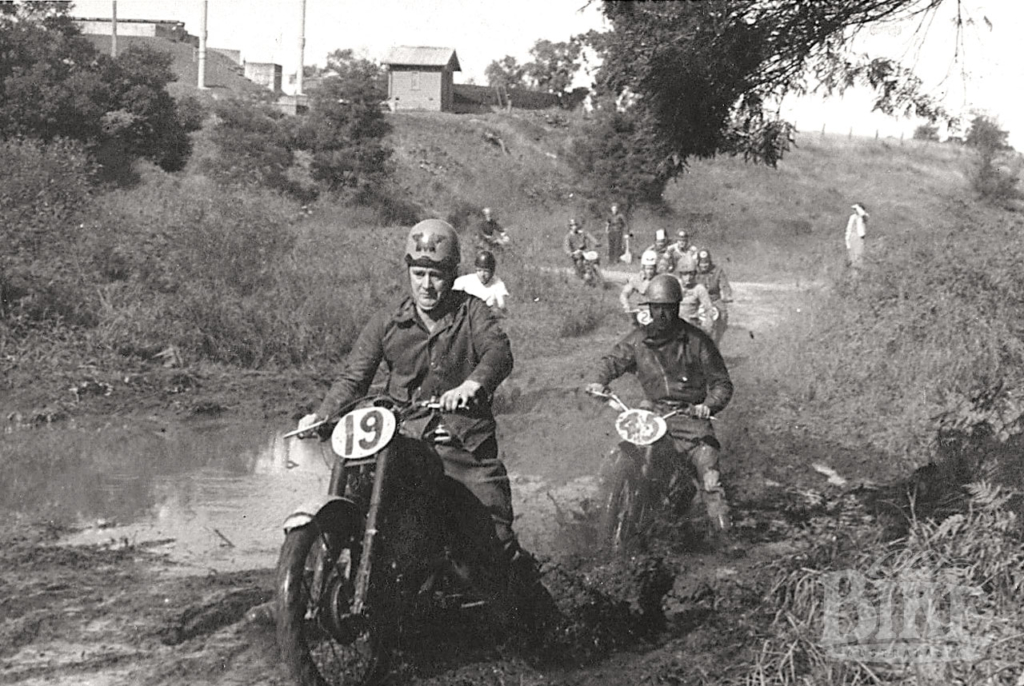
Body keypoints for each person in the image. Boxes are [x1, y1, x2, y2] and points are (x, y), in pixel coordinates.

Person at [585, 273, 734, 535]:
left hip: (690, 419)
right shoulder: (639, 339)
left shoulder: (698, 341)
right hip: (653, 412)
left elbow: (722, 384)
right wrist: (599, 381)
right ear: (649, 308)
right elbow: (612, 360)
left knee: (710, 479)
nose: (662, 315)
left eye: (667, 309)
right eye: (656, 308)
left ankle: (726, 541)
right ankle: (607, 507)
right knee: (619, 456)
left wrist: (707, 406)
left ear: (676, 307)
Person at [694, 249, 732, 346]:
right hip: (699, 301)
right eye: (702, 263)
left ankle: (717, 339)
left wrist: (727, 295)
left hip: (714, 299)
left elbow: (724, 284)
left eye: (706, 262)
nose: (704, 265)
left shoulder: (717, 271)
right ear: (698, 262)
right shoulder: (693, 272)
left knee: (723, 315)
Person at [454, 250, 509, 315]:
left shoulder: (498, 284)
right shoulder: (464, 281)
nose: (482, 275)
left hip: (485, 316)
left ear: (492, 271)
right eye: (479, 270)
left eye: (486, 271)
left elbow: (502, 306)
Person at [619, 249, 659, 326]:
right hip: (641, 311)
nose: (649, 271)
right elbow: (625, 293)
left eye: (652, 268)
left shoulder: (660, 279)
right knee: (634, 329)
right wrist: (626, 304)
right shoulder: (637, 279)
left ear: (655, 268)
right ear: (643, 268)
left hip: (657, 311)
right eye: (647, 268)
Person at [678, 266, 714, 335]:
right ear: (680, 275)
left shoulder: (699, 289)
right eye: (685, 274)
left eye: (691, 274)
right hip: (676, 323)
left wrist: (707, 325)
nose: (688, 278)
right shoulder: (675, 286)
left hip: (691, 324)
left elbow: (709, 308)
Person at [845, 203, 868, 270]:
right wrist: (847, 240)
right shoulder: (852, 217)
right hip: (851, 237)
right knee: (851, 257)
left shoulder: (864, 217)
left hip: (859, 237)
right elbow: (848, 229)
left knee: (858, 256)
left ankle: (857, 273)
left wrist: (858, 208)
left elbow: (863, 216)